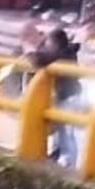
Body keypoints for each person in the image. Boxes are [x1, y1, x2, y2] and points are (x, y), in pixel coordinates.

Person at [28, 28, 82, 167]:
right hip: (68, 94)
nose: (47, 45)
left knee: (66, 130)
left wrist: (33, 50)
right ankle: (58, 154)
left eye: (48, 42)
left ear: (56, 43)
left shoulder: (62, 54)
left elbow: (39, 59)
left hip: (69, 96)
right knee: (61, 128)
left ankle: (68, 160)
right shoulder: (68, 52)